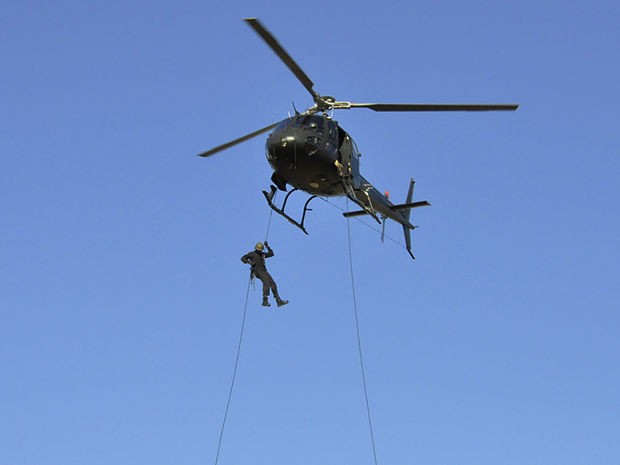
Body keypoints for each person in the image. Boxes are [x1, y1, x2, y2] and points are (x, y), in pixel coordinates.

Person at [241, 241, 289, 307]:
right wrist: (249, 262)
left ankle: (278, 301)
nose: (259, 251)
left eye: (260, 250)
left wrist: (267, 246)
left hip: (264, 271)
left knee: (273, 284)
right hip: (257, 271)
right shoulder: (251, 254)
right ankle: (265, 300)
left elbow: (271, 254)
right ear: (256, 249)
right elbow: (243, 258)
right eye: (258, 250)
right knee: (266, 282)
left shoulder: (262, 254)